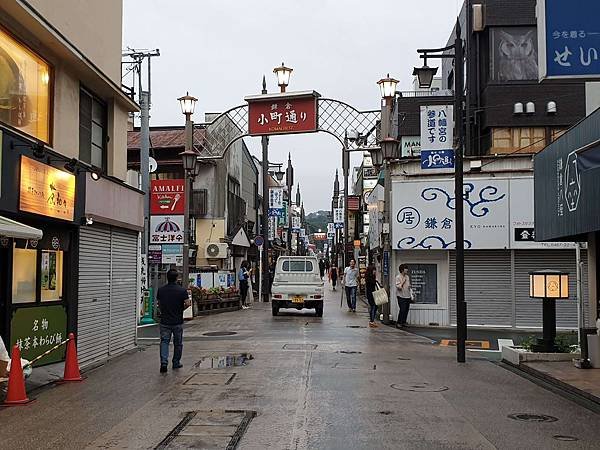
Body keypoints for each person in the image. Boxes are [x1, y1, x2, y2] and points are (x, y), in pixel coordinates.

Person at [158, 269, 190, 373]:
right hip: (177, 321)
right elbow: (188, 303)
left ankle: (164, 362)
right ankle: (176, 362)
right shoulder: (181, 291)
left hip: (164, 321)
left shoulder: (161, 290)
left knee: (164, 342)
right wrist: (181, 309)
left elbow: (159, 304)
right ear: (177, 278)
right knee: (178, 343)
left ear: (167, 277)